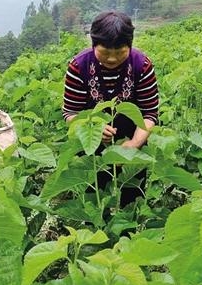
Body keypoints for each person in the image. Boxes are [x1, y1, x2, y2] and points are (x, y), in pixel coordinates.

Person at [62, 11, 159, 205]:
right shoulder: (78, 67)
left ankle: (129, 231)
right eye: (105, 52)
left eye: (120, 52)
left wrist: (133, 145)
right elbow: (70, 112)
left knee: (131, 195)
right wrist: (92, 129)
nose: (112, 59)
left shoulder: (142, 65)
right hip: (91, 145)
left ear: (129, 46)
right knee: (94, 196)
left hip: (133, 137)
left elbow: (149, 113)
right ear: (93, 44)